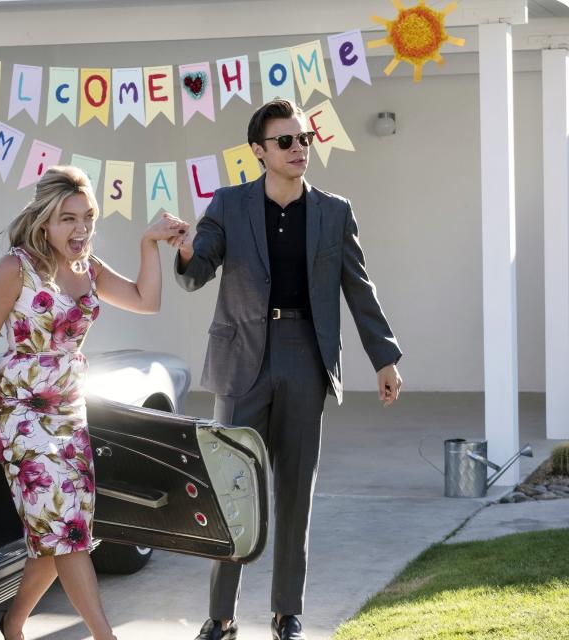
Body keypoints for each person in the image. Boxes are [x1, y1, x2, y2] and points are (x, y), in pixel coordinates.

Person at [176, 99, 403, 640]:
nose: (299, 148)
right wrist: (185, 252)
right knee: (234, 489)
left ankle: (286, 613)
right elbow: (197, 272)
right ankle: (221, 616)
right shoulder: (228, 204)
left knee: (295, 489)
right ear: (259, 151)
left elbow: (358, 288)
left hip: (305, 352)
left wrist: (385, 356)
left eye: (304, 139)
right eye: (286, 141)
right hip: (241, 362)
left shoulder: (333, 211)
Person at [0, 165, 189, 640]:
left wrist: (148, 244)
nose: (81, 229)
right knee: (66, 533)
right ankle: (105, 636)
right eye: (68, 219)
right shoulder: (14, 268)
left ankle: (13, 623)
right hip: (22, 417)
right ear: (45, 221)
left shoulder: (89, 267)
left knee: (67, 531)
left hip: (70, 412)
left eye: (87, 218)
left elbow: (146, 300)